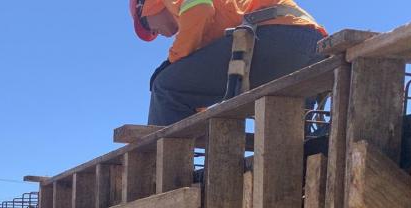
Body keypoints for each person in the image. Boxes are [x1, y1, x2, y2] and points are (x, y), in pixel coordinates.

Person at [131, 0, 327, 125]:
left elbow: (200, 8)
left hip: (274, 38)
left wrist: (172, 61)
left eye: (148, 26)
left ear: (146, 6)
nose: (156, 33)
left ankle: (160, 173)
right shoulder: (208, 29)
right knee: (289, 136)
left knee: (165, 87)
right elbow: (197, 90)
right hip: (310, 44)